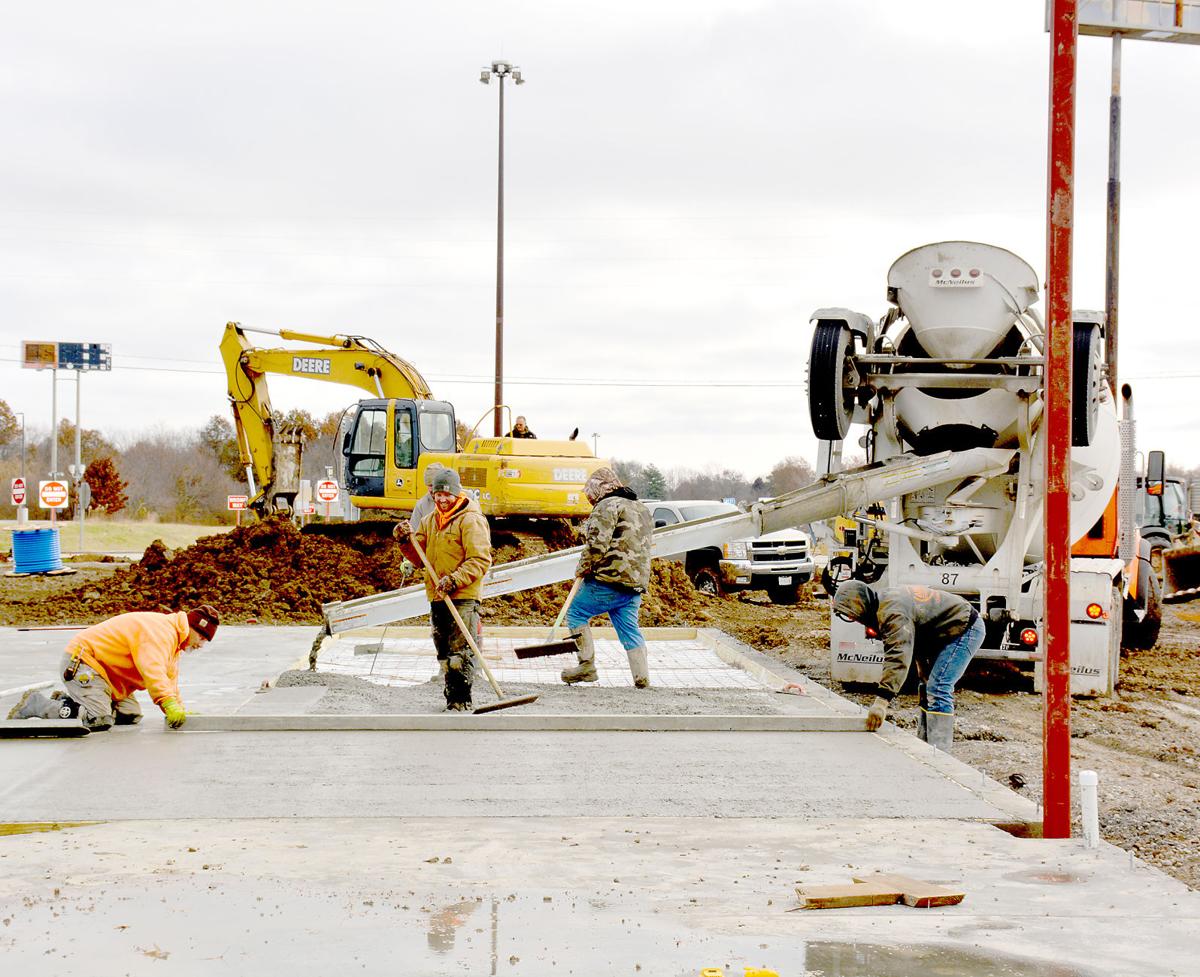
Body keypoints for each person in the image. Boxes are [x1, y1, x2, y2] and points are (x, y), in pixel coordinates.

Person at [7, 606, 220, 731]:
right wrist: (167, 702)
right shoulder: (161, 632)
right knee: (98, 719)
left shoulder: (174, 643)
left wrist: (178, 708)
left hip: (106, 676)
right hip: (84, 663)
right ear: (192, 627)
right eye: (202, 637)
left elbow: (168, 679)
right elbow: (153, 670)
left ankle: (72, 701)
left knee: (130, 715)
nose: (201, 644)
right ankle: (38, 704)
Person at [832, 581, 985, 752]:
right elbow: (916, 636)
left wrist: (881, 702)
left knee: (938, 687)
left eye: (852, 615)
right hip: (943, 630)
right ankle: (926, 747)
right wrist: (922, 667)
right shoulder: (883, 604)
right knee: (926, 685)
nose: (854, 620)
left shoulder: (892, 612)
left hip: (965, 628)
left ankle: (940, 753)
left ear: (861, 605)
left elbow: (897, 656)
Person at [394, 468, 492, 711]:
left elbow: (480, 560)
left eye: (447, 495)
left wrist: (454, 580)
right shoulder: (429, 521)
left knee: (460, 653)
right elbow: (419, 558)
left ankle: (462, 699)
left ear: (457, 494)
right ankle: (451, 699)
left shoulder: (471, 520)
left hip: (463, 595)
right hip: (438, 595)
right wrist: (405, 541)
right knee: (444, 652)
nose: (442, 499)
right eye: (438, 495)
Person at [561, 467, 654, 689]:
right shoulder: (640, 507)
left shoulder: (606, 506)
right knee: (629, 628)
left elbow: (596, 545)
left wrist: (582, 568)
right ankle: (642, 677)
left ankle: (586, 666)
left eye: (590, 493)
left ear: (599, 489)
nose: (589, 499)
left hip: (609, 579)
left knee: (575, 612)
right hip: (635, 583)